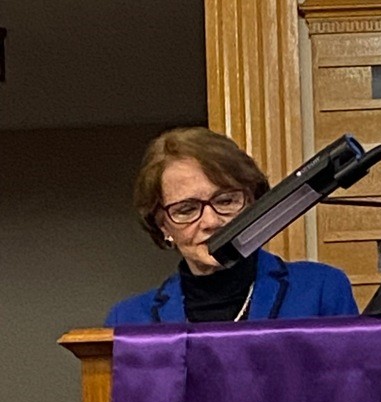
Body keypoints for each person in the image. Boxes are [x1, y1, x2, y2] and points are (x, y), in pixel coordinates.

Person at [106, 126, 358, 324]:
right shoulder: (129, 320)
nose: (211, 221)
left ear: (252, 201)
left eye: (226, 201)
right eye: (187, 209)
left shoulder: (321, 289)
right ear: (163, 226)